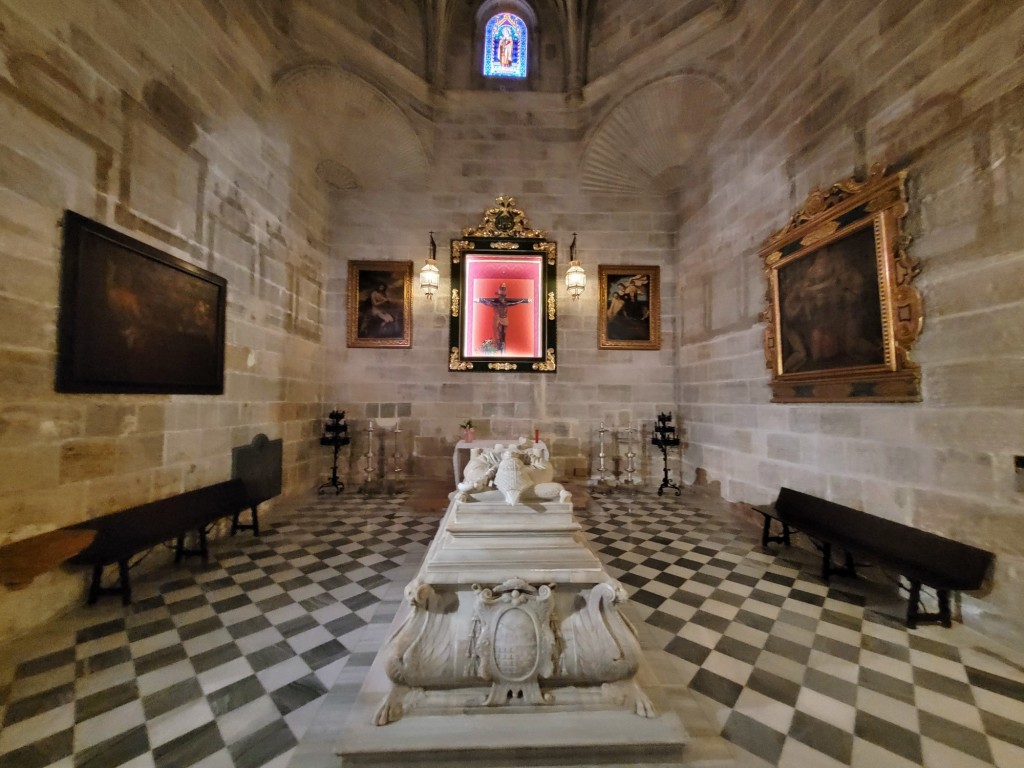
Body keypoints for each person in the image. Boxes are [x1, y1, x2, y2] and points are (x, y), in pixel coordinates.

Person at [476, 282, 531, 353]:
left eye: (504, 289)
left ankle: (502, 346)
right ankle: (499, 346)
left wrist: (525, 300)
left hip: (505, 319)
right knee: (498, 332)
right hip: (498, 318)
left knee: (503, 333)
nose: (502, 297)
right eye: (502, 289)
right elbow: (488, 301)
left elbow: (516, 301)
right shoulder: (496, 302)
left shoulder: (507, 302)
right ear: (499, 293)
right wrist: (480, 300)